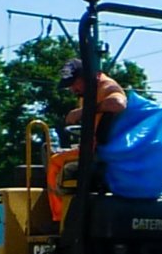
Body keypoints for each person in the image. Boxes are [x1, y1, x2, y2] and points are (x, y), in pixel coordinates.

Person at [48, 58, 129, 222]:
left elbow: (119, 103)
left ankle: (59, 219)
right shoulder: (88, 93)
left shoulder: (106, 86)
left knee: (55, 163)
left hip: (104, 152)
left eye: (74, 83)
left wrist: (84, 111)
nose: (72, 89)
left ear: (86, 76)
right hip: (95, 147)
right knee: (55, 154)